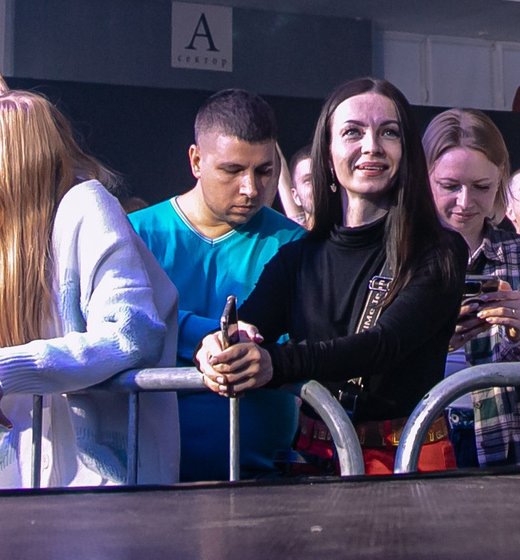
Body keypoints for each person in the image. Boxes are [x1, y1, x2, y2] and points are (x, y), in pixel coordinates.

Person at [194, 78, 468, 474]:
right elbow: (251, 325)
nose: (372, 146)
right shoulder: (298, 257)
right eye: (353, 132)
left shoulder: (439, 250)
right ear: (327, 153)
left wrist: (275, 363)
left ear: (406, 150)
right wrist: (220, 347)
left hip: (406, 460)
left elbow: (384, 345)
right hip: (315, 459)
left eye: (388, 132)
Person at [0, 90, 179, 489]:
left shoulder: (87, 204)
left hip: (104, 477)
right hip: (26, 472)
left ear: (12, 164)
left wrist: (7, 370)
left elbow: (131, 332)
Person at [129, 90, 304, 481]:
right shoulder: (135, 236)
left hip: (266, 483)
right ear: (196, 161)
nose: (250, 188)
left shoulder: (296, 244)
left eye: (264, 171)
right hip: (147, 482)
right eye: (231, 170)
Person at [425, 109, 520, 466]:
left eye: (481, 187)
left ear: (501, 183)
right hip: (420, 444)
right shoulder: (394, 259)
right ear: (424, 178)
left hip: (509, 452)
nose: (465, 202)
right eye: (449, 186)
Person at [280, 146, 317, 229]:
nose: (317, 184)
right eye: (308, 180)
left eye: (323, 175)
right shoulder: (297, 235)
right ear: (296, 196)